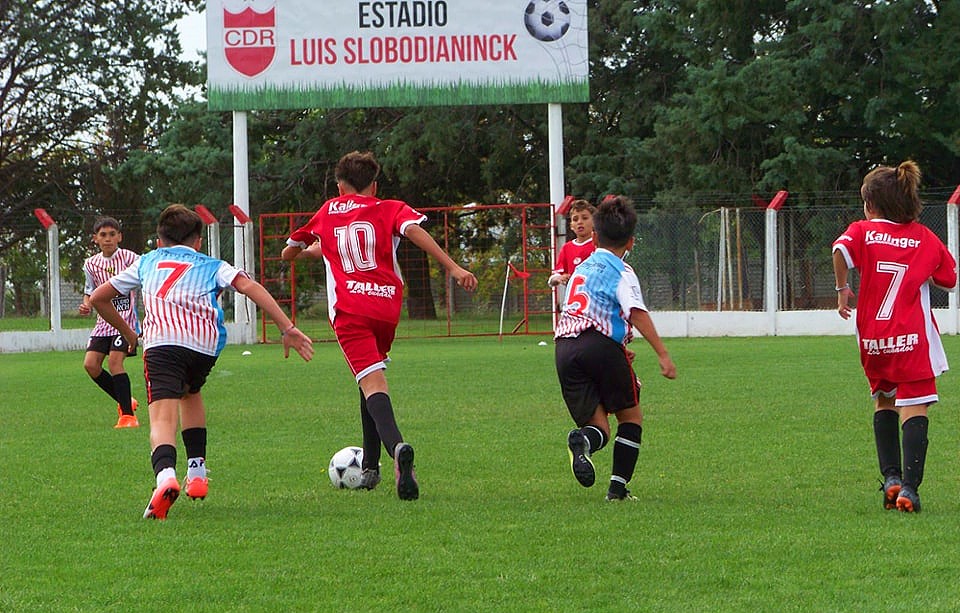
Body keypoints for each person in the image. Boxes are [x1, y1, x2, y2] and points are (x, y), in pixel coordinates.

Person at [91, 204, 314, 520]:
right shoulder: (213, 264)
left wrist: (129, 331)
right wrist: (286, 327)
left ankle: (166, 476)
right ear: (198, 242)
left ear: (159, 240)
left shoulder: (146, 262)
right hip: (204, 346)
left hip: (163, 344)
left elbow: (100, 296)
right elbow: (248, 286)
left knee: (162, 418)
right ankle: (196, 473)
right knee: (190, 392)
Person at [281, 150, 478, 501]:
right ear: (373, 185)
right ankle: (370, 467)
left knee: (372, 383)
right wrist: (454, 268)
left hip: (350, 309)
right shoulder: (388, 207)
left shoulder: (327, 211)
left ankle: (397, 449)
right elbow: (415, 232)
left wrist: (300, 251)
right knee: (367, 380)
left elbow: (290, 251)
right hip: (386, 307)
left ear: (339, 185)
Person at [832, 160, 956, 513]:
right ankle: (910, 490)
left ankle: (891, 478)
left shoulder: (861, 231)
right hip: (911, 339)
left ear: (871, 205)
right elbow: (949, 279)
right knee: (915, 406)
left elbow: (839, 251)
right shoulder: (923, 237)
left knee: (884, 400)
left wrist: (843, 288)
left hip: (873, 340)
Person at [554, 195, 677, 501]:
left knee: (599, 427)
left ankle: (583, 441)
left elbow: (586, 312)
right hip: (599, 347)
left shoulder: (581, 270)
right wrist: (663, 354)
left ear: (594, 236)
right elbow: (636, 311)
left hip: (564, 349)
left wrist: (616, 345)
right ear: (631, 243)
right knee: (630, 417)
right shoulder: (622, 271)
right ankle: (617, 491)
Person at [79, 216, 141, 428]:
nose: (108, 239)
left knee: (115, 363)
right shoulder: (91, 264)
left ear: (120, 237)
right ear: (95, 238)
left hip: (125, 321)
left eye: (112, 234)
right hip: (103, 322)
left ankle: (128, 417)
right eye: (103, 235)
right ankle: (125, 401)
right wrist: (86, 304)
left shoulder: (131, 258)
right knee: (91, 365)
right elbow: (90, 291)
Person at [548, 199, 596, 290]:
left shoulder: (599, 245)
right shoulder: (567, 248)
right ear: (571, 226)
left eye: (585, 218)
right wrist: (559, 278)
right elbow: (554, 277)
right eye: (575, 219)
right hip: (574, 300)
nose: (580, 222)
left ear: (594, 222)